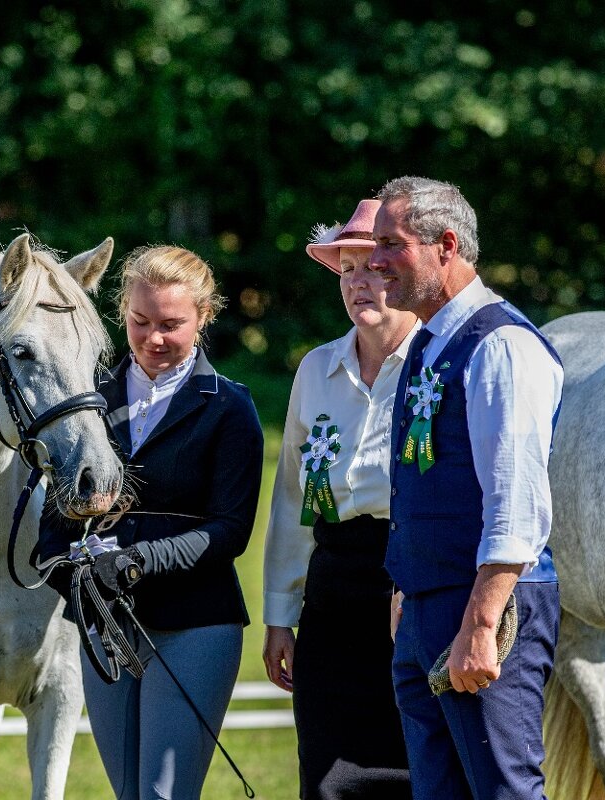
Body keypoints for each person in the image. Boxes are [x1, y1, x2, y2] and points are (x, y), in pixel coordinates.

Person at [37, 244, 264, 800]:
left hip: (195, 624)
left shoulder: (229, 408)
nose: (153, 338)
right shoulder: (86, 402)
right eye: (140, 321)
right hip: (107, 626)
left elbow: (229, 530)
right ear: (122, 311)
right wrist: (70, 575)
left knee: (164, 794)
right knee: (129, 794)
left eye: (171, 324)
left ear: (203, 317)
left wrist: (137, 562)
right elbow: (54, 522)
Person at [370, 176, 563, 799]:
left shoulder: (501, 346)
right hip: (429, 606)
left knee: (504, 790)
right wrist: (409, 587)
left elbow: (517, 502)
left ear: (446, 246)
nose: (375, 261)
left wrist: (480, 624)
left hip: (485, 606)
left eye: (391, 244)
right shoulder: (431, 343)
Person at [262, 199, 415, 799]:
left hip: (411, 585)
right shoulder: (315, 369)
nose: (357, 283)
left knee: (414, 768)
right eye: (347, 270)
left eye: (372, 267)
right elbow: (291, 498)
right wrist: (280, 613)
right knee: (328, 775)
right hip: (333, 594)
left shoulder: (438, 364)